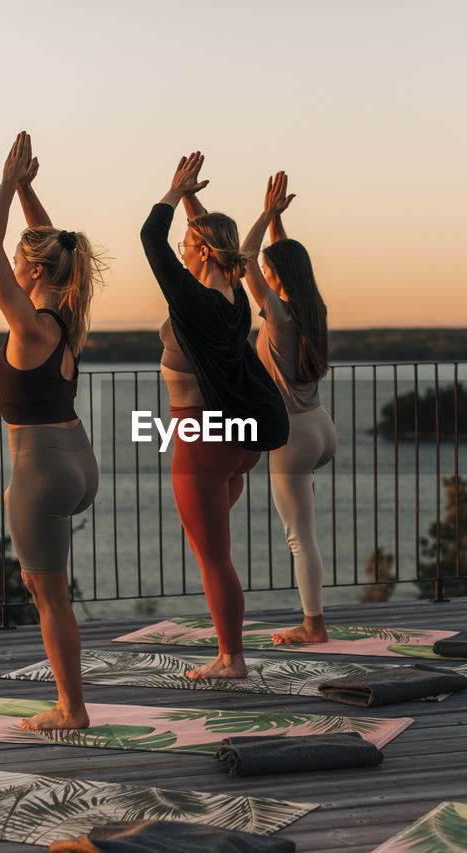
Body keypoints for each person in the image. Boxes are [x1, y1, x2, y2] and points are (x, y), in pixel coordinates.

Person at [141, 152, 289, 679]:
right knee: (213, 549)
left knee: (213, 558)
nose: (180, 255)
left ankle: (231, 659)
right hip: (235, 441)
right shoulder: (230, 298)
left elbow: (149, 239)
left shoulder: (195, 301)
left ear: (202, 252)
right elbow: (218, 247)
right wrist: (190, 200)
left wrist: (169, 192)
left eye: (188, 249)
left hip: (202, 439)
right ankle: (230, 651)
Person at [0, 131, 103, 731]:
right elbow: (63, 251)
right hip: (77, 457)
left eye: (24, 259)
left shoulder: (28, 328)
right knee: (39, 581)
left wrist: (6, 183)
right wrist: (29, 190)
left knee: (51, 597)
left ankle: (70, 709)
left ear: (30, 267)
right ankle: (68, 699)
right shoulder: (67, 318)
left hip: (40, 467)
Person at [185, 172, 335, 644]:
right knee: (300, 527)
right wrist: (278, 226)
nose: (261, 276)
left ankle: (314, 626)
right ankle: (311, 620)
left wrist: (268, 215)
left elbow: (242, 258)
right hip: (321, 429)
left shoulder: (276, 310)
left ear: (276, 279)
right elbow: (268, 260)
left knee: (299, 537)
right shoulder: (310, 307)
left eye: (270, 273)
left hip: (291, 437)